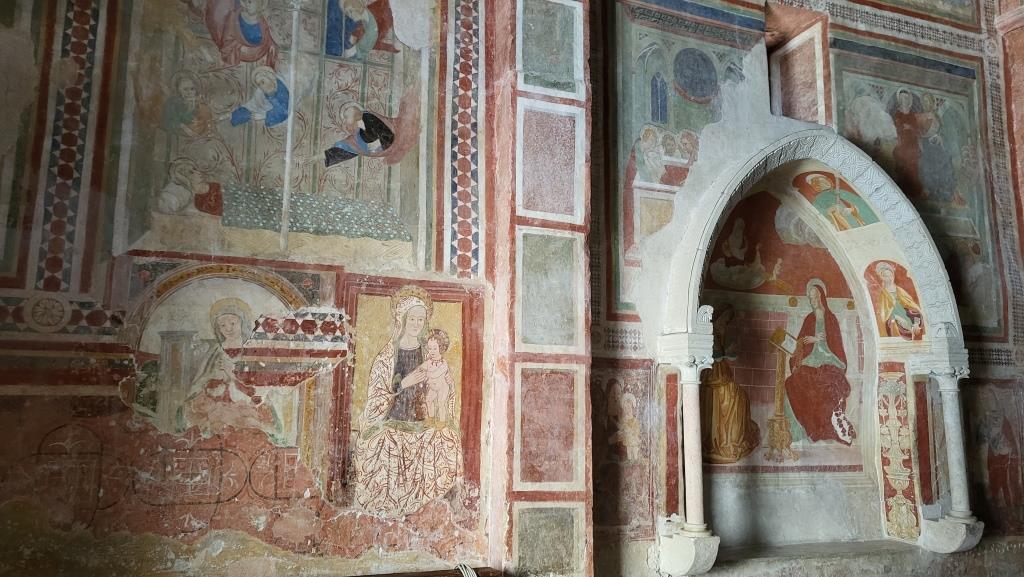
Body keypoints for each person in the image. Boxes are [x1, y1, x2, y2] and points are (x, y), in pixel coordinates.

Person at [353, 285, 461, 516]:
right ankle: (388, 512)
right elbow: (377, 393)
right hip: (393, 419)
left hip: (423, 420)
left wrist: (439, 386)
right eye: (412, 318)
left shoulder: (429, 352)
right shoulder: (387, 355)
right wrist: (403, 383)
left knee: (446, 439)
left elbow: (446, 385)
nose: (416, 324)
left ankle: (428, 511)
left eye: (421, 319)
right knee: (381, 444)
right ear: (402, 319)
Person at [186, 299, 279, 438]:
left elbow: (259, 381)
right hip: (216, 399)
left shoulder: (251, 349)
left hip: (244, 399)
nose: (228, 329)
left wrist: (233, 373)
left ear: (242, 323)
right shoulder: (216, 351)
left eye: (232, 323)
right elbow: (203, 377)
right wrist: (214, 378)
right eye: (222, 325)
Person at [784, 279, 856, 445]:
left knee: (827, 381)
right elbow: (800, 341)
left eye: (815, 296)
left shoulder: (831, 319)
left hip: (829, 357)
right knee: (793, 381)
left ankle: (828, 425)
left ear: (822, 297)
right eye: (810, 298)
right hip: (812, 357)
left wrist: (821, 341)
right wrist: (809, 340)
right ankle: (807, 428)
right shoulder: (809, 319)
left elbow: (836, 343)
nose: (813, 300)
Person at [700, 305, 760, 463]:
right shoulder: (712, 333)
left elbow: (727, 356)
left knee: (740, 396)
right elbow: (717, 356)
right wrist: (726, 352)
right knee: (734, 397)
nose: (725, 323)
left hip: (720, 376)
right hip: (712, 378)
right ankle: (725, 440)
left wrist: (730, 351)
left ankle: (731, 436)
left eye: (727, 319)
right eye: (725, 319)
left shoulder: (721, 332)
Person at [201, 0, 278, 68]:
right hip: (239, 60)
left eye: (250, 1)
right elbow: (227, 41)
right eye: (245, 1)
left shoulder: (262, 21)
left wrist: (271, 45)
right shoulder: (233, 18)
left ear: (260, 4)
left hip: (259, 58)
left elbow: (267, 38)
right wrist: (239, 47)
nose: (246, 4)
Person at [874, 261, 924, 340]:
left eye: (891, 275)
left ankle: (915, 327)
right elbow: (883, 313)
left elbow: (910, 303)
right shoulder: (883, 294)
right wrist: (892, 308)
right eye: (886, 276)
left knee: (916, 313)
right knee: (899, 320)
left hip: (903, 311)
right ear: (882, 277)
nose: (890, 278)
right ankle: (912, 331)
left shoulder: (899, 290)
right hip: (892, 315)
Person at [156, 158, 223, 216]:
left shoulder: (215, 186)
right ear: (185, 178)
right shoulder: (198, 203)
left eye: (195, 168)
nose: (198, 172)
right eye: (191, 172)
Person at [420, 328, 455, 427]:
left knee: (441, 403)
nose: (432, 351)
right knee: (428, 400)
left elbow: (435, 374)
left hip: (442, 388)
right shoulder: (428, 361)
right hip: (433, 387)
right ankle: (431, 419)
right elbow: (421, 368)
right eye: (430, 348)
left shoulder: (443, 363)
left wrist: (426, 375)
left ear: (441, 348)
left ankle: (442, 421)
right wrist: (421, 371)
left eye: (435, 348)